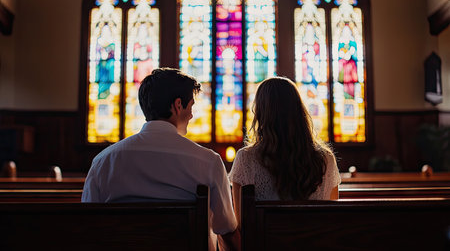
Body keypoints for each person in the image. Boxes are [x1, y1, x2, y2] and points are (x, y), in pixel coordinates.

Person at [82, 68, 240, 251]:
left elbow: (89, 224)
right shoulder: (208, 162)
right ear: (178, 105)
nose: (191, 115)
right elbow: (226, 231)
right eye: (191, 106)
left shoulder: (104, 161)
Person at [229, 76, 341, 223]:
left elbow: (241, 224)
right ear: (299, 111)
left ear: (260, 114)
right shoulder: (325, 159)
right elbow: (332, 218)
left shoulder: (246, 159)